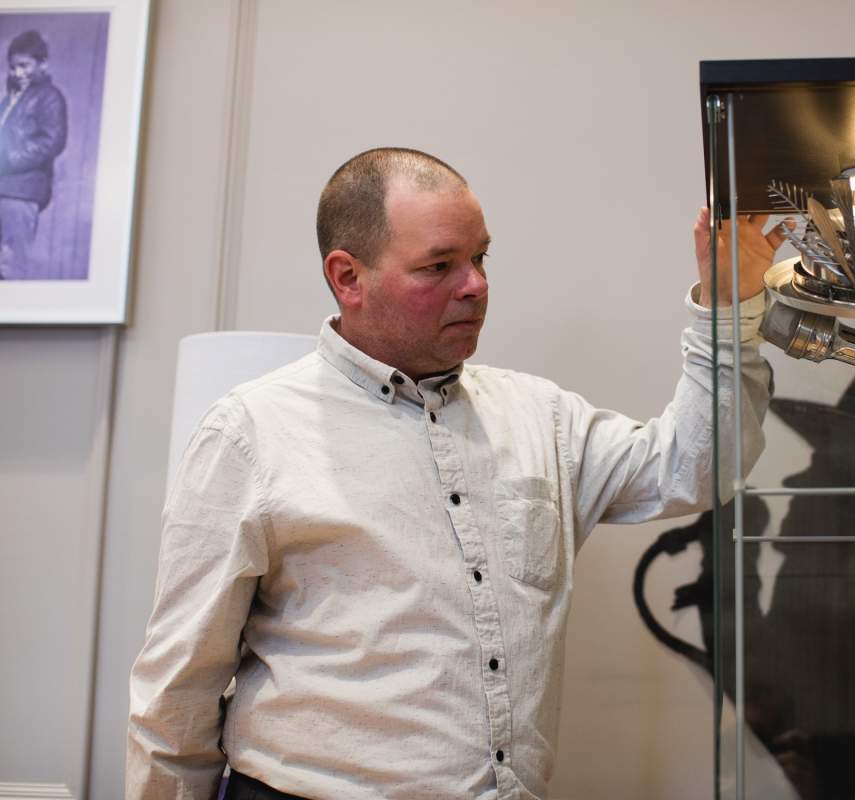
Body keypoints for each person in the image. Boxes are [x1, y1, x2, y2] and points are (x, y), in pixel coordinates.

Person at [127, 147, 784, 799]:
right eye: (439, 266)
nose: (475, 285)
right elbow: (178, 691)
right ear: (348, 278)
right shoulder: (250, 435)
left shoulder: (541, 417)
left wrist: (729, 307)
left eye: (480, 257)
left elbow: (696, 467)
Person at [0, 29, 66, 280]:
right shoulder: (10, 100)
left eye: (25, 66)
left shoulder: (49, 97)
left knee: (11, 266)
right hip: (4, 189)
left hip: (21, 193)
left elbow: (52, 141)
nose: (18, 73)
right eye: (13, 67)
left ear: (43, 64)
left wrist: (7, 159)